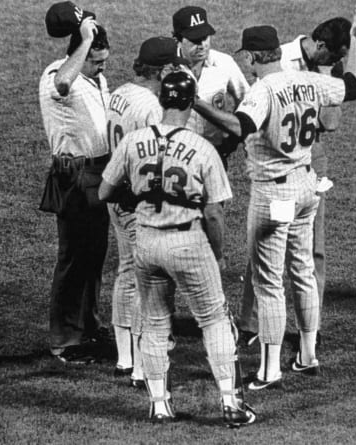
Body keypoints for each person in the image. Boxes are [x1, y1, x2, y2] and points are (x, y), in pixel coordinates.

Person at [191, 9, 356, 390]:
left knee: (269, 281)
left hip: (275, 194)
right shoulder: (308, 79)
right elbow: (351, 86)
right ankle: (307, 354)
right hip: (307, 188)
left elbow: (240, 126)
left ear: (252, 57)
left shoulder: (262, 91)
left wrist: (198, 104)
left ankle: (269, 370)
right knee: (301, 270)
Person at [99, 71, 256, 427]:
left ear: (161, 100)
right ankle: (231, 404)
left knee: (154, 323)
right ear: (190, 103)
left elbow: (105, 192)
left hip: (146, 241)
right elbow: (214, 213)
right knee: (214, 319)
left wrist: (140, 194)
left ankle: (159, 404)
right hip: (188, 240)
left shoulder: (134, 141)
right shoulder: (202, 147)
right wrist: (217, 253)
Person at [238, 16, 353, 346]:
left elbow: (330, 123)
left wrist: (334, 65)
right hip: (288, 169)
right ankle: (256, 325)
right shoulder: (282, 62)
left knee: (304, 254)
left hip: (305, 167)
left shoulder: (321, 67)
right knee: (273, 255)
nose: (336, 63)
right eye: (333, 57)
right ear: (319, 46)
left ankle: (303, 336)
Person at [107, 36, 188, 388]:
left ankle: (124, 358)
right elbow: (157, 161)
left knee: (126, 272)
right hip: (139, 200)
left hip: (116, 195)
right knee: (147, 280)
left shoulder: (120, 93)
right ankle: (142, 366)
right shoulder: (153, 109)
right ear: (166, 69)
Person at [39, 13, 111, 363]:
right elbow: (64, 85)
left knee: (95, 253)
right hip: (74, 174)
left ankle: (89, 325)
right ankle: (64, 339)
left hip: (99, 173)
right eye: (95, 61)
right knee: (73, 257)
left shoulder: (97, 79)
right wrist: (83, 40)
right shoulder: (56, 74)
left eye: (103, 61)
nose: (100, 67)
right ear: (80, 53)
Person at [172, 5, 249, 169]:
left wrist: (233, 137)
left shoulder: (224, 63)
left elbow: (246, 99)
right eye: (194, 40)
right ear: (178, 39)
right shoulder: (167, 67)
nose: (202, 45)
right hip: (175, 155)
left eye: (205, 38)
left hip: (215, 153)